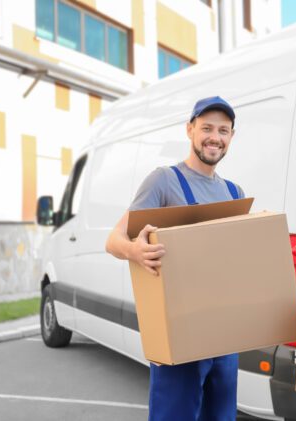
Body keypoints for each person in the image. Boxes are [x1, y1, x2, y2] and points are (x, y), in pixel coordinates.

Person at [105, 96, 244, 421]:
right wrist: (135, 251)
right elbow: (114, 239)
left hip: (225, 335)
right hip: (178, 330)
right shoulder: (164, 181)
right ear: (190, 129)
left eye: (223, 130)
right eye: (207, 128)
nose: (215, 137)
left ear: (231, 137)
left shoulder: (234, 192)